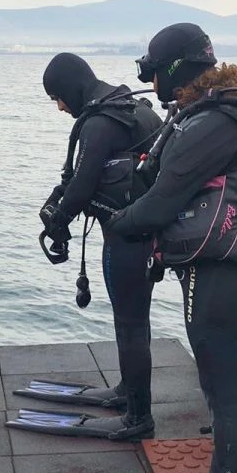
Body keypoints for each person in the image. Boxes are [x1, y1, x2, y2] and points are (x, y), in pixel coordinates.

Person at [105, 22, 237, 473]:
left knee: (226, 392)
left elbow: (161, 200)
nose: (152, 80)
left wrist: (119, 223)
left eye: (155, 70)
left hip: (227, 271)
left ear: (175, 70)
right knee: (220, 384)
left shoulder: (208, 122)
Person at [39, 53, 162, 438]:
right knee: (134, 321)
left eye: (58, 97)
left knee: (130, 325)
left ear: (73, 87)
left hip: (125, 238)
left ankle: (139, 417)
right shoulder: (130, 108)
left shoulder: (99, 122)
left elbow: (82, 184)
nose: (60, 107)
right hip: (149, 234)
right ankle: (129, 391)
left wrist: (56, 223)